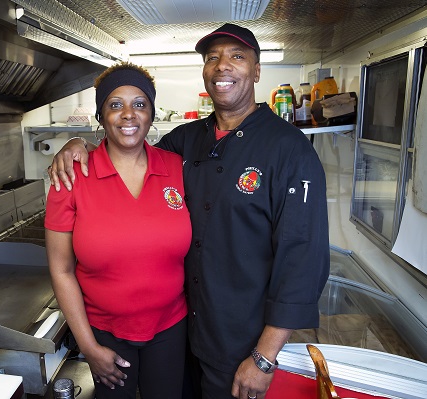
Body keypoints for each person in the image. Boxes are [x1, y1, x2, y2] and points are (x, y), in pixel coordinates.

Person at [49, 23, 330, 399]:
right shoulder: (185, 141)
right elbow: (128, 144)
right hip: (186, 336)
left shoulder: (290, 150)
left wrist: (264, 357)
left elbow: (303, 260)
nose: (222, 66)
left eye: (236, 56)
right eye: (212, 57)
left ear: (257, 70)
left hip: (242, 344)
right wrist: (76, 142)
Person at [44, 62, 192, 399]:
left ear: (151, 114)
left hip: (171, 327)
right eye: (115, 104)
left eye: (139, 104)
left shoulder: (176, 167)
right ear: (101, 115)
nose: (128, 114)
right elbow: (61, 268)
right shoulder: (71, 177)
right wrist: (89, 346)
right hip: (103, 332)